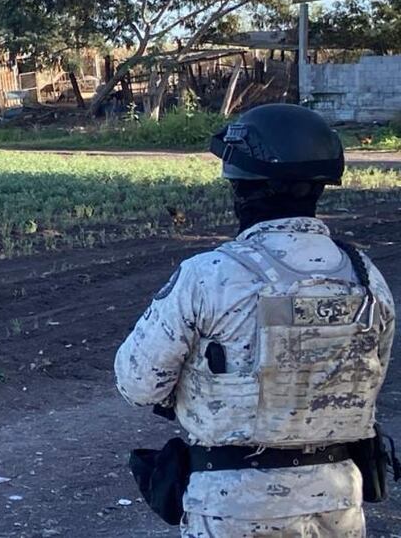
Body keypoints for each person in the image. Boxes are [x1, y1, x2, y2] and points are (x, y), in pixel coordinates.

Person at [115, 104, 395, 537]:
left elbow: (137, 383)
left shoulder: (209, 275)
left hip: (236, 505)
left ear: (242, 189)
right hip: (339, 504)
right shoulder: (364, 275)